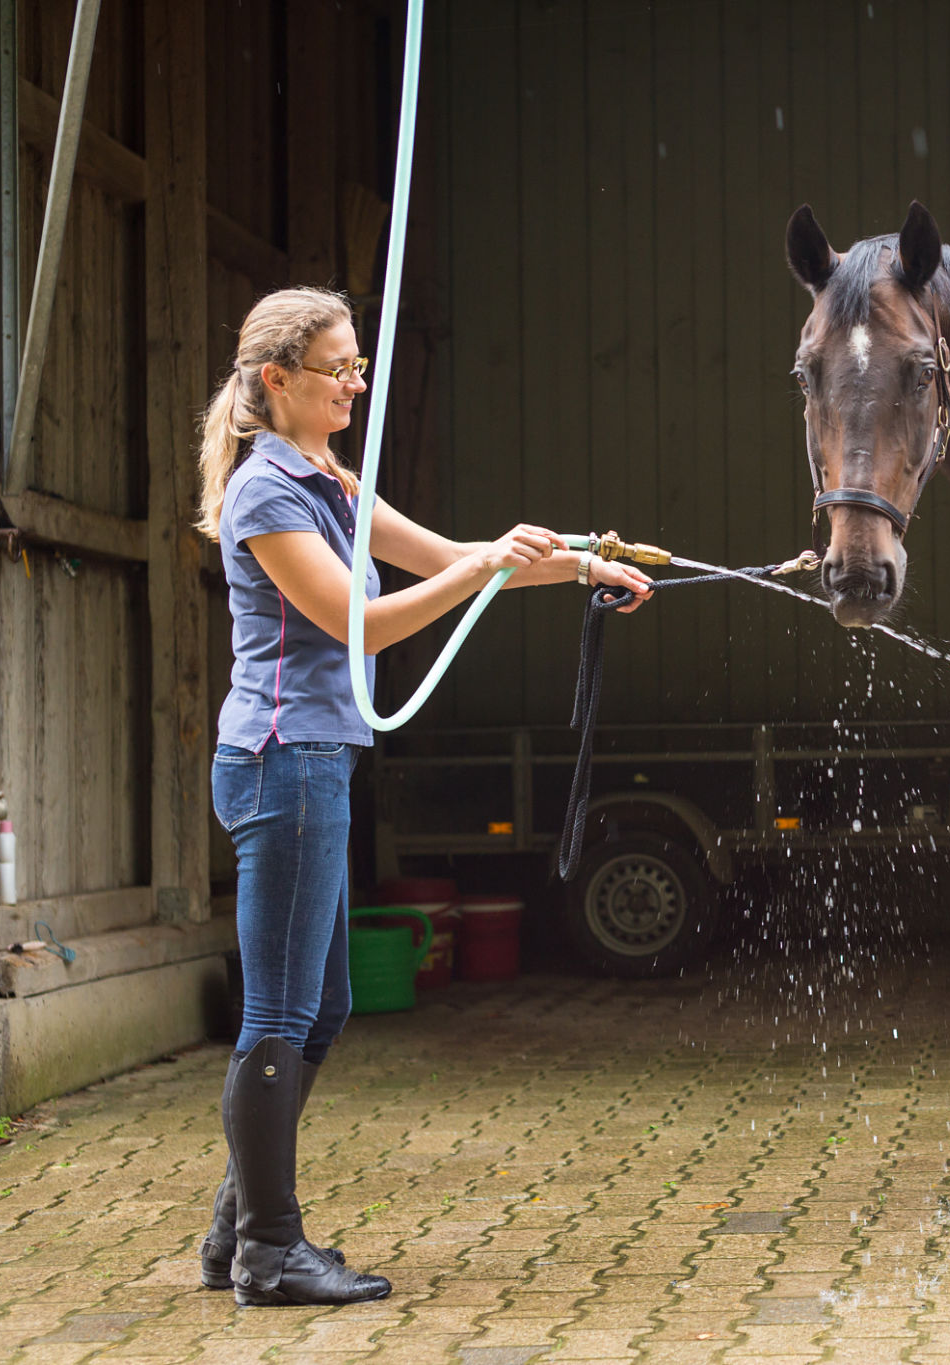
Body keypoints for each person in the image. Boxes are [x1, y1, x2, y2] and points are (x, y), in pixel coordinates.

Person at [192, 287, 653, 1307]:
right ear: (279, 379)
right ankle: (270, 1247)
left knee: (327, 1004)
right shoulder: (268, 492)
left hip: (316, 762)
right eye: (338, 368)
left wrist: (583, 569)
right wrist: (484, 566)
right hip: (283, 761)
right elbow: (359, 624)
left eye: (357, 364)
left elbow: (450, 564)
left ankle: (236, 1229)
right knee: (278, 1011)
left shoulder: (329, 480)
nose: (356, 382)